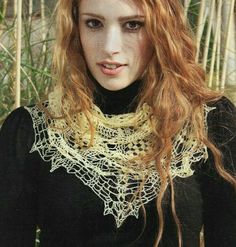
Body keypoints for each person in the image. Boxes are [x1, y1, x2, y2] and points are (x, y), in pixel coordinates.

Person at [0, 0, 235, 246]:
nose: (110, 47)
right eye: (93, 23)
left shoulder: (210, 121)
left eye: (133, 25)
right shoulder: (30, 129)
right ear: (75, 27)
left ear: (163, 28)